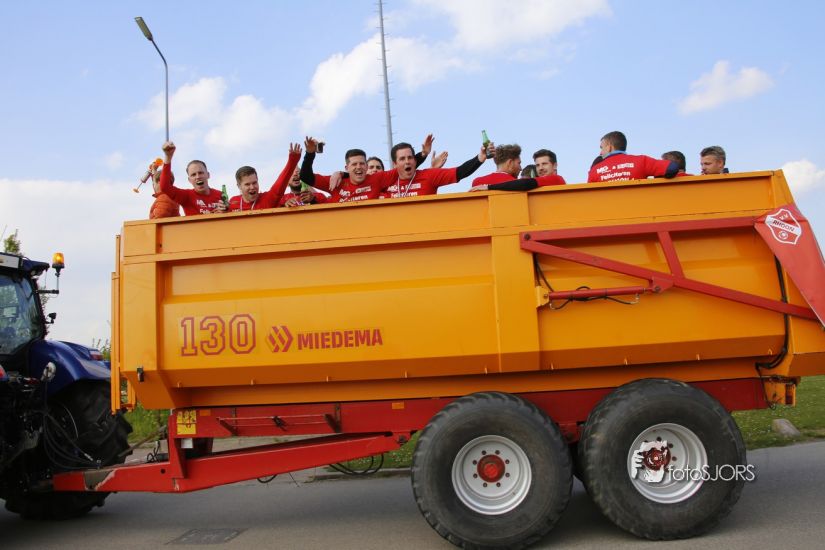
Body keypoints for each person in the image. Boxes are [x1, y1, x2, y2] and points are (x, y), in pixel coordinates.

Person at [299, 135, 432, 202]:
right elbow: (305, 177)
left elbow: (404, 167)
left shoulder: (376, 179)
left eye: (362, 164)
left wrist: (423, 154)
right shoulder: (335, 182)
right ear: (346, 167)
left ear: (366, 166)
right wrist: (310, 154)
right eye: (354, 164)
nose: (359, 167)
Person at [380, 139, 490, 199]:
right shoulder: (385, 181)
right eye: (402, 159)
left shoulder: (429, 176)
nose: (407, 161)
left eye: (410, 157)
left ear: (415, 160)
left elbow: (460, 172)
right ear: (395, 164)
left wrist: (480, 158)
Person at [228, 143, 302, 212]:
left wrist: (292, 161)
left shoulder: (267, 199)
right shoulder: (233, 202)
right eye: (247, 184)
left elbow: (280, 184)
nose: (252, 187)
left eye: (254, 183)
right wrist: (223, 210)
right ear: (239, 186)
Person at [159, 142, 227, 215]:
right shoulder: (186, 196)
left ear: (208, 175)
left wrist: (226, 211)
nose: (198, 177)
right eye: (193, 175)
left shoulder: (220, 194)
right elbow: (165, 187)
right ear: (189, 180)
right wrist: (168, 157)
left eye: (200, 173)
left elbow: (230, 214)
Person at [588, 131, 678, 183]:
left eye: (602, 148)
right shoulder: (641, 161)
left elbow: (590, 195)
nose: (600, 152)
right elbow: (672, 168)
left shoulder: (595, 170)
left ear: (609, 147)